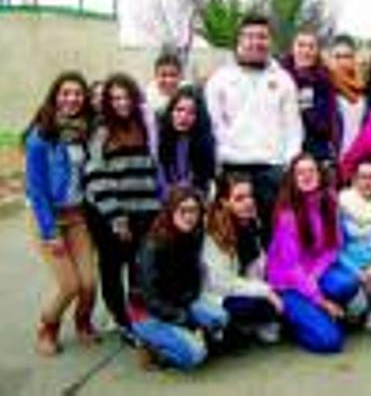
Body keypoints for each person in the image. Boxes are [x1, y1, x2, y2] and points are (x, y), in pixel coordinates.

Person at [205, 14, 304, 244]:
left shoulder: (283, 80)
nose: (256, 42)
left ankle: (272, 280)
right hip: (233, 168)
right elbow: (213, 125)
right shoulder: (220, 79)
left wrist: (287, 166)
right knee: (233, 236)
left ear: (270, 41)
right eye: (249, 36)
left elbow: (293, 128)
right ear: (239, 41)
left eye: (262, 36)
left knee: (274, 235)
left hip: (272, 169)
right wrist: (221, 160)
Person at [24, 71, 99, 356]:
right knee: (69, 285)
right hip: (49, 217)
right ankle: (48, 327)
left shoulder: (84, 131)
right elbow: (36, 190)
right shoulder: (40, 137)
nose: (72, 99)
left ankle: (83, 322)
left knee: (89, 283)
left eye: (78, 94)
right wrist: (49, 232)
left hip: (77, 214)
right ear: (55, 96)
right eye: (66, 93)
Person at [84, 73, 161, 343]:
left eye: (126, 96)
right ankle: (122, 319)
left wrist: (156, 209)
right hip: (114, 216)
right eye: (115, 98)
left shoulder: (141, 126)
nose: (122, 103)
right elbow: (95, 177)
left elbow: (149, 171)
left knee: (139, 269)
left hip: (145, 212)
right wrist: (117, 218)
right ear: (107, 101)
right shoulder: (101, 131)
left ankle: (138, 316)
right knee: (112, 268)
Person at [129, 187, 228, 370]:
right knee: (195, 356)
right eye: (183, 210)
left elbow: (193, 278)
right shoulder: (153, 245)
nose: (189, 216)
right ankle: (150, 347)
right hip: (147, 313)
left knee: (220, 318)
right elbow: (150, 299)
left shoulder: (193, 236)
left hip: (179, 302)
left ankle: (181, 337)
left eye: (194, 210)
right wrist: (185, 319)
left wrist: (189, 309)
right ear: (170, 211)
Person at [266, 154, 356, 354]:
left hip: (313, 275)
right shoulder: (286, 216)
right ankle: (292, 323)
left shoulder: (330, 200)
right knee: (331, 342)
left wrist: (314, 276)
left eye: (311, 171)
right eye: (300, 173)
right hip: (289, 285)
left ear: (319, 174)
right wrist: (321, 301)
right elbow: (292, 269)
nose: (306, 176)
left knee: (346, 283)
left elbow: (334, 245)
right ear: (293, 179)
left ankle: (316, 315)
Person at [203, 173, 283, 344]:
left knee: (280, 299)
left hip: (242, 288)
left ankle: (250, 324)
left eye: (250, 196)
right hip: (216, 295)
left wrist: (269, 288)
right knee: (262, 305)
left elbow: (256, 267)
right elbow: (222, 283)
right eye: (239, 198)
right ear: (224, 202)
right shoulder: (214, 232)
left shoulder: (249, 224)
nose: (248, 202)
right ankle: (228, 327)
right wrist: (266, 292)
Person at [337, 156, 371, 331]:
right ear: (354, 179)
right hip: (347, 266)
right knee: (356, 308)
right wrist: (357, 272)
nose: (367, 182)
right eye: (362, 177)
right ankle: (355, 308)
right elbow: (336, 248)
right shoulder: (341, 205)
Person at [280, 30, 340, 172]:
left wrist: (302, 107)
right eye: (301, 45)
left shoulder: (324, 80)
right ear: (293, 48)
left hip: (315, 151)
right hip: (281, 150)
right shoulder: (278, 76)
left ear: (317, 51)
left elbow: (325, 124)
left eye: (311, 47)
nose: (306, 51)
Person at [156, 87, 216, 198]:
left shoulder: (205, 144)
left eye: (191, 113)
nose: (184, 117)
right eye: (179, 110)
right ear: (171, 112)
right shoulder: (159, 140)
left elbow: (205, 183)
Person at [327, 34, 368, 155]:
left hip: (361, 157)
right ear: (331, 60)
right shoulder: (325, 89)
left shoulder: (365, 90)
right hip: (334, 157)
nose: (342, 61)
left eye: (347, 56)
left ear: (353, 59)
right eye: (337, 56)